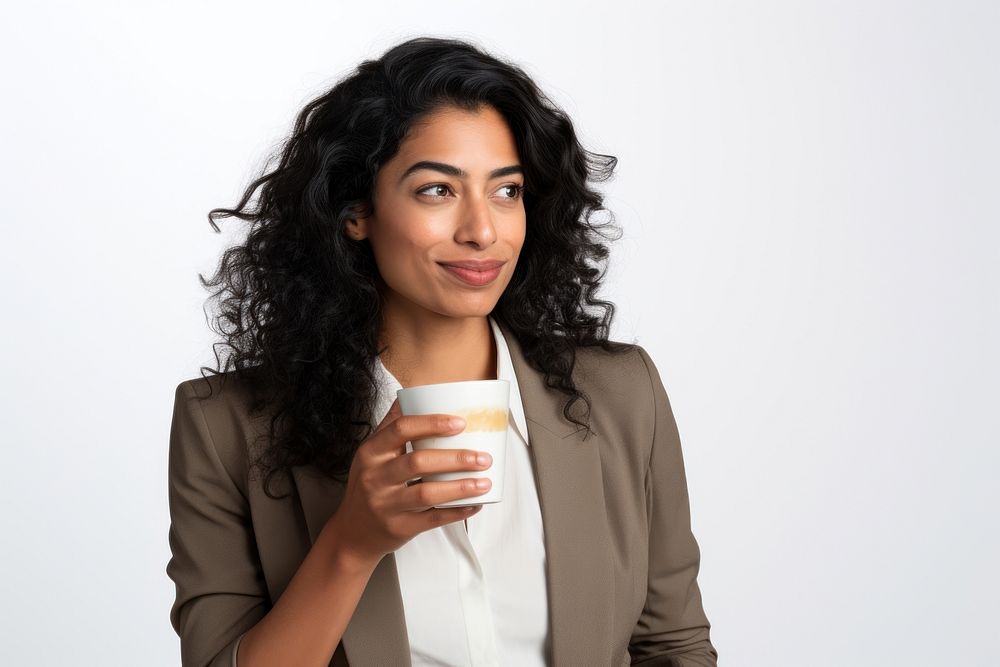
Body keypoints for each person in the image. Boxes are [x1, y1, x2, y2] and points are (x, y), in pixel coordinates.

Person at [166, 36, 718, 667]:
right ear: (356, 212)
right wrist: (350, 544)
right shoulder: (225, 426)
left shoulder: (623, 394)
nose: (482, 231)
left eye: (506, 191)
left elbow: (673, 646)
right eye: (438, 190)